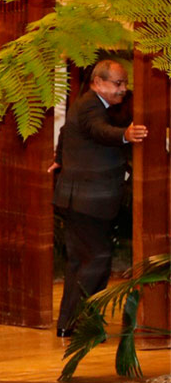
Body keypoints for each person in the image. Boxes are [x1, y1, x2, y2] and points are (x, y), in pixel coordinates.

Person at [52, 59, 147, 336]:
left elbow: (65, 131)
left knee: (80, 262)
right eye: (118, 83)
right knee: (96, 260)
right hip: (89, 201)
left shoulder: (86, 103)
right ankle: (80, 324)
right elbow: (98, 130)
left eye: (125, 83)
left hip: (79, 199)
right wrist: (125, 135)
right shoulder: (91, 106)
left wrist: (60, 160)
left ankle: (69, 324)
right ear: (98, 82)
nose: (123, 89)